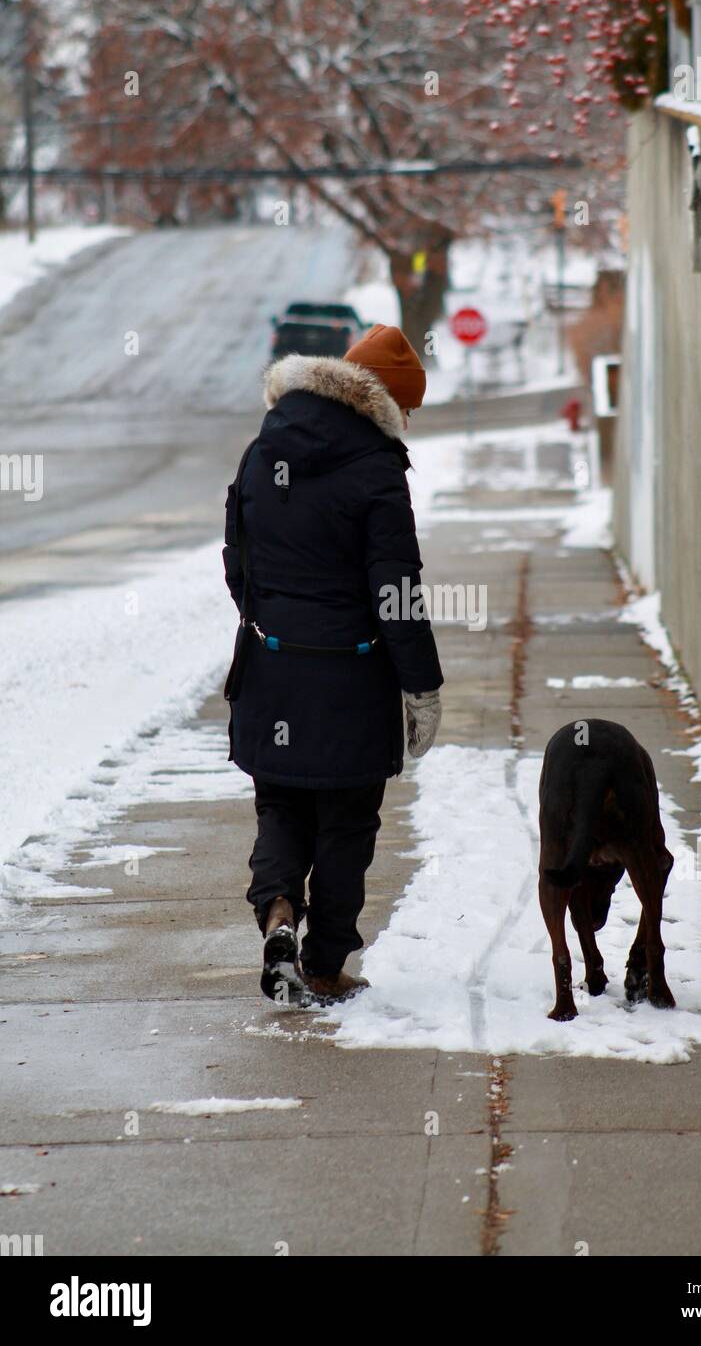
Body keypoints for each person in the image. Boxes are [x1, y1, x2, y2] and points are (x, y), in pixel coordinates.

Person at [222, 325, 443, 1004]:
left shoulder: (264, 450)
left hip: (274, 668)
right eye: (407, 409)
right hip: (353, 675)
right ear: (381, 401)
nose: (406, 422)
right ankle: (323, 965)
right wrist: (421, 686)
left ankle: (280, 913)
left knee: (282, 805)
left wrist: (271, 626)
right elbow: (396, 590)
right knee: (347, 822)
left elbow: (239, 561)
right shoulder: (377, 468)